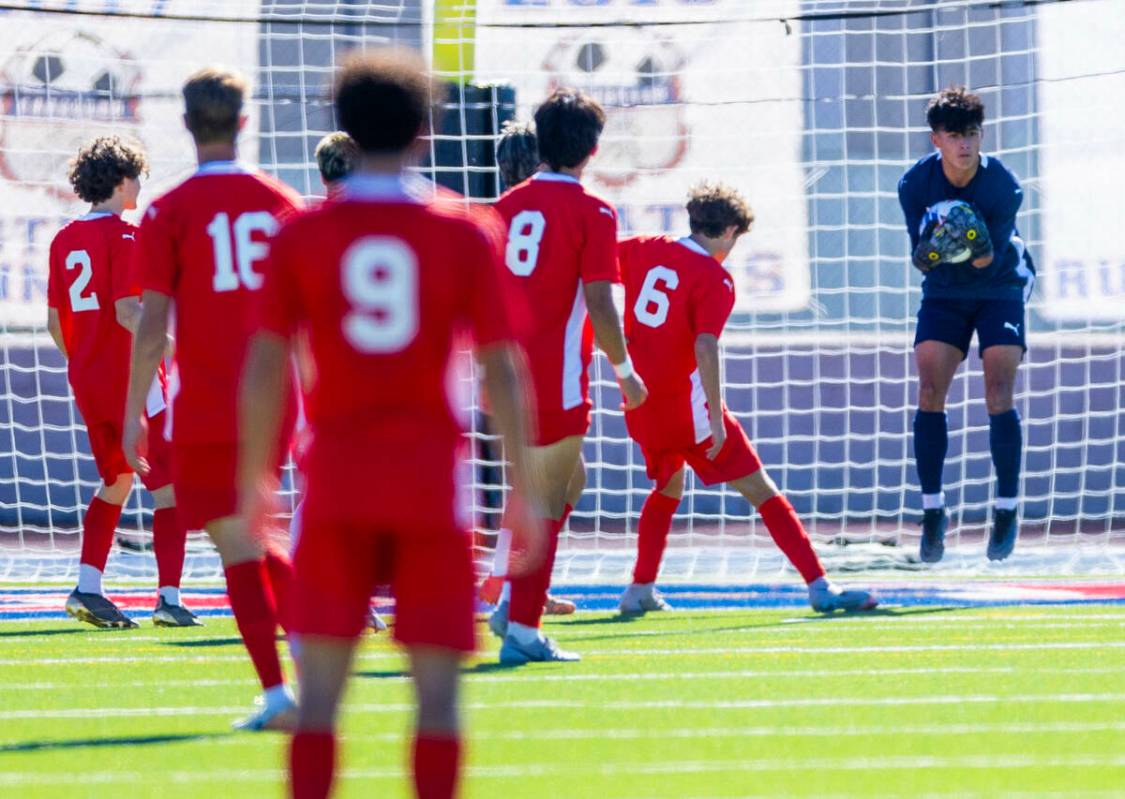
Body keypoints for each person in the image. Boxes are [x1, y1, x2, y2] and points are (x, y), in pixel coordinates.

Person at [239, 48, 540, 799]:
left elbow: (265, 365)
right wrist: (524, 492)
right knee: (436, 698)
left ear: (342, 128)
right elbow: (503, 369)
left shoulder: (299, 233)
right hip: (432, 487)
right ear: (425, 132)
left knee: (321, 700)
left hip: (334, 481)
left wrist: (253, 479)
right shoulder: (464, 231)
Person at [122, 67, 303, 730]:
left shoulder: (167, 210)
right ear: (245, 120)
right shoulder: (282, 200)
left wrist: (135, 412)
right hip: (277, 397)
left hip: (206, 401)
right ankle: (303, 664)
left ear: (185, 124)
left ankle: (281, 688)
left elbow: (151, 327)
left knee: (238, 543)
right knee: (256, 531)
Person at [618, 182, 878, 614]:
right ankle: (819, 586)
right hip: (690, 412)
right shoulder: (714, 278)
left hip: (642, 404)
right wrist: (717, 420)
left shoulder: (645, 247)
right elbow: (705, 346)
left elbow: (595, 264)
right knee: (762, 490)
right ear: (730, 231)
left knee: (667, 486)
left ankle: (639, 589)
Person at [489, 88, 648, 664]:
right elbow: (601, 305)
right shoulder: (594, 211)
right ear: (594, 148)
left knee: (563, 484)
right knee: (545, 500)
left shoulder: (501, 208)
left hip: (503, 374)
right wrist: (625, 370)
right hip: (553, 377)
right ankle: (523, 628)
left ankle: (512, 600)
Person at [46, 136, 196, 629]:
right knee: (170, 488)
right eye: (137, 177)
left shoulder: (64, 237)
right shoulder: (127, 234)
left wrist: (87, 362)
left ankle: (88, 589)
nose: (140, 188)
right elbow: (129, 312)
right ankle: (169, 600)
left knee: (117, 482)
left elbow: (54, 323)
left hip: (88, 381)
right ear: (120, 180)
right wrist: (185, 351)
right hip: (134, 381)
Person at [898, 86, 1034, 563]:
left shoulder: (1004, 186)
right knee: (930, 389)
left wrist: (966, 235)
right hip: (945, 294)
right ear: (936, 139)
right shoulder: (913, 185)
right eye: (954, 135)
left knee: (998, 392)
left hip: (998, 287)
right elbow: (923, 260)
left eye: (972, 134)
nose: (965, 144)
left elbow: (984, 261)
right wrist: (932, 247)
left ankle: (1006, 507)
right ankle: (933, 512)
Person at [479, 118, 576, 619]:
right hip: (542, 369)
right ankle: (510, 588)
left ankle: (511, 583)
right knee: (538, 485)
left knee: (553, 482)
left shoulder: (498, 215)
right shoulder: (561, 209)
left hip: (497, 364)